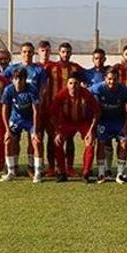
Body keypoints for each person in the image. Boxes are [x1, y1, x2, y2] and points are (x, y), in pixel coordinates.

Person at [4, 42, 48, 175]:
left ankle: (31, 167)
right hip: (16, 113)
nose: (27, 54)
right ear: (21, 53)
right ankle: (14, 167)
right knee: (13, 140)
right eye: (24, 51)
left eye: (29, 52)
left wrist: (38, 101)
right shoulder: (13, 68)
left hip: (32, 112)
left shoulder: (39, 70)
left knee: (33, 139)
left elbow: (43, 88)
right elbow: (3, 82)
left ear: (33, 53)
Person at [42, 42, 83, 176]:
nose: (65, 54)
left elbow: (91, 75)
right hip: (52, 109)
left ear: (71, 53)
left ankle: (69, 167)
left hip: (70, 109)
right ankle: (52, 167)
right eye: (63, 52)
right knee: (51, 138)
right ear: (59, 52)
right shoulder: (50, 67)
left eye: (68, 52)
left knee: (69, 138)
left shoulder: (76, 68)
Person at [50, 72, 100, 182]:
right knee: (57, 142)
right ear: (67, 84)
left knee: (90, 142)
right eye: (71, 83)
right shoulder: (61, 95)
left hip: (83, 122)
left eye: (76, 83)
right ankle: (62, 173)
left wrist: (91, 131)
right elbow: (52, 114)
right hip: (67, 122)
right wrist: (58, 131)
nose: (73, 86)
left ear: (80, 84)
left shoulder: (87, 94)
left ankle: (86, 173)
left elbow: (96, 113)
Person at [90, 68, 127, 184]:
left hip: (119, 121)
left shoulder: (124, 90)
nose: (112, 82)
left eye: (114, 79)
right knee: (101, 142)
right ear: (105, 79)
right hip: (104, 121)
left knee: (124, 143)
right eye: (109, 79)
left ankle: (120, 174)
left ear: (118, 79)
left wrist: (126, 126)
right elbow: (87, 93)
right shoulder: (98, 88)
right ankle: (101, 173)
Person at [0, 68, 42, 183]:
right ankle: (11, 172)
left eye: (21, 79)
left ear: (25, 80)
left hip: (30, 120)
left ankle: (37, 173)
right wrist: (7, 130)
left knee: (37, 141)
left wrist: (34, 131)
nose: (18, 81)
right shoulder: (9, 89)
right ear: (12, 80)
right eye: (15, 79)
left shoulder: (32, 89)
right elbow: (4, 111)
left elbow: (36, 111)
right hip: (16, 120)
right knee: (8, 141)